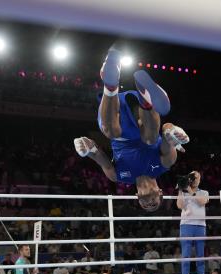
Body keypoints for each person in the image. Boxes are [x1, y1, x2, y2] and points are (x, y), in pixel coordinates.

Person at [74, 49, 190, 211]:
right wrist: (173, 133)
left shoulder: (118, 176)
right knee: (150, 138)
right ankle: (146, 97)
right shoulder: (165, 164)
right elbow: (166, 130)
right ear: (160, 192)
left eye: (145, 206)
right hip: (141, 117)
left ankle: (110, 86)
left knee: (110, 132)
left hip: (116, 118)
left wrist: (87, 148)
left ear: (137, 198)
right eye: (155, 204)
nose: (149, 204)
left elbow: (98, 155)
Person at [176, 171, 211, 274]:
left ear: (200, 180)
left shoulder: (204, 192)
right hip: (186, 224)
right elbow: (179, 206)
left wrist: (190, 191)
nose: (195, 180)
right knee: (186, 253)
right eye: (192, 178)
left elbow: (202, 202)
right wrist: (181, 188)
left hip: (200, 225)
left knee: (200, 253)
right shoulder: (184, 192)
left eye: (197, 178)